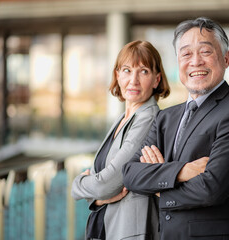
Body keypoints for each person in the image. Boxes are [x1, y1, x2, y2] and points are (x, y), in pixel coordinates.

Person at [122, 17, 229, 240]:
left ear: (226, 58)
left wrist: (158, 188)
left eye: (205, 52)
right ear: (178, 62)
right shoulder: (165, 117)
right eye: (186, 54)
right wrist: (184, 172)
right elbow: (130, 174)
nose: (195, 61)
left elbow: (212, 189)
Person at [71, 40, 170, 240]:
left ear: (156, 79)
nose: (133, 80)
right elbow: (103, 185)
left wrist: (77, 183)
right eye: (126, 70)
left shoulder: (148, 119)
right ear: (117, 75)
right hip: (110, 225)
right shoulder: (123, 119)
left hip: (130, 230)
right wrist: (98, 200)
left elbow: (106, 184)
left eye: (143, 71)